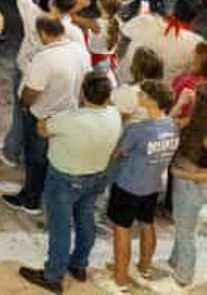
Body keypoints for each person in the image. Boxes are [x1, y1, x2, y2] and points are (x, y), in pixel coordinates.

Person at [18, 71, 121, 292]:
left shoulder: (70, 119)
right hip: (96, 175)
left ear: (83, 93)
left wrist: (47, 119)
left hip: (65, 178)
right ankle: (79, 265)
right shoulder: (115, 115)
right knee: (86, 220)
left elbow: (42, 130)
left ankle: (53, 275)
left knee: (60, 227)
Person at [6, 14, 93, 217]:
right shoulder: (80, 50)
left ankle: (31, 200)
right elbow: (87, 79)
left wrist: (24, 105)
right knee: (55, 158)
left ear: (44, 33)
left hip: (41, 115)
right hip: (68, 113)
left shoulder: (45, 58)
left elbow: (32, 91)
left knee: (35, 159)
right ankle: (46, 195)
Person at [106, 79, 179, 292]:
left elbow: (117, 153)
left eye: (142, 94)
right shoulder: (172, 125)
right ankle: (144, 268)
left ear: (152, 101)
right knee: (147, 224)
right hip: (154, 184)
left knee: (122, 229)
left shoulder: (137, 129)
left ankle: (120, 279)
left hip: (128, 185)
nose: (138, 96)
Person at [170, 86, 207, 289]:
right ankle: (175, 261)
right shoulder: (195, 123)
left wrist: (182, 174)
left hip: (191, 182)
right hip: (188, 181)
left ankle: (184, 275)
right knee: (182, 224)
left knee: (186, 231)